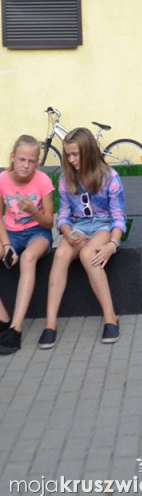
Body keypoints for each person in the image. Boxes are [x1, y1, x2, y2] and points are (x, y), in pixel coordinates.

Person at [37, 128, 125, 350]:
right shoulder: (67, 179)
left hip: (102, 226)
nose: (71, 159)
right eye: (68, 155)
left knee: (88, 255)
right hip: (78, 227)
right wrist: (66, 232)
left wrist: (112, 245)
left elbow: (117, 218)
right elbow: (64, 215)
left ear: (88, 152)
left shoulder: (110, 177)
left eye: (75, 154)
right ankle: (50, 324)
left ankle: (110, 317)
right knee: (61, 254)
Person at [0, 135, 54, 354]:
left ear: (37, 162)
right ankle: (3, 318)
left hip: (37, 232)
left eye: (32, 161)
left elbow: (49, 222)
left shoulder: (42, 181)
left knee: (28, 258)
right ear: (13, 157)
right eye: (22, 159)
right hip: (10, 233)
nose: (26, 165)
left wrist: (33, 211)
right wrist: (5, 245)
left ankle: (16, 328)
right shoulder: (2, 179)